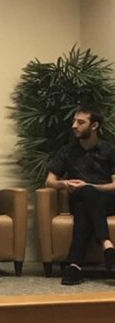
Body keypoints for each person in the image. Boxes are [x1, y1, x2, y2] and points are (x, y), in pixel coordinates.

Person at [45, 105, 115, 285]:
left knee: (85, 204)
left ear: (94, 126)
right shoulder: (67, 151)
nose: (74, 125)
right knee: (84, 199)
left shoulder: (109, 150)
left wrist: (89, 186)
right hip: (79, 196)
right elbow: (49, 181)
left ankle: (74, 266)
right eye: (74, 121)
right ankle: (107, 246)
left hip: (108, 200)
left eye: (80, 122)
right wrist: (65, 183)